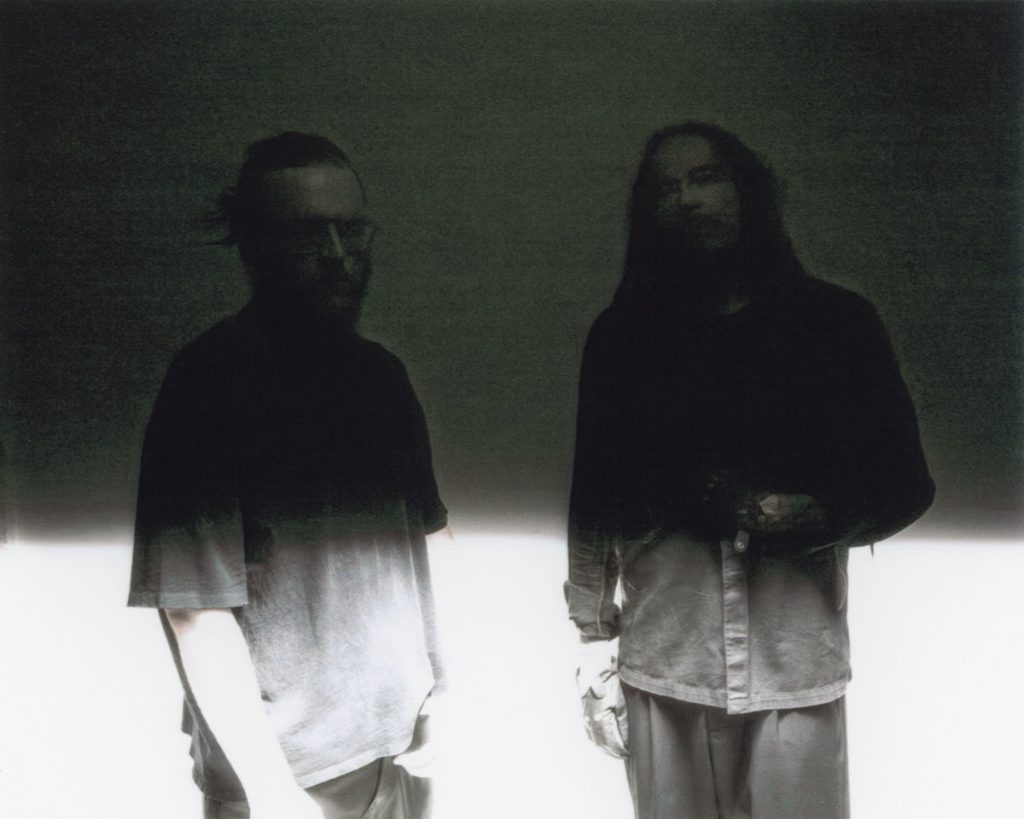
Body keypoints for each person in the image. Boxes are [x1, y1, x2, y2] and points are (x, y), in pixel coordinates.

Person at [566, 122, 934, 819]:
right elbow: (594, 498)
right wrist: (591, 638)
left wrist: (820, 514)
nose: (687, 199)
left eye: (705, 178)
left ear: (747, 189)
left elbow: (904, 480)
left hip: (793, 657)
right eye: (666, 188)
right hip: (666, 657)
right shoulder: (622, 339)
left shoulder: (838, 324)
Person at [129, 132, 450, 819]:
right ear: (253, 246)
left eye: (351, 229)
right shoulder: (207, 384)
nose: (337, 254)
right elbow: (193, 607)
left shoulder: (381, 377)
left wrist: (443, 692)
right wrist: (272, 792)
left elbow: (429, 540)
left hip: (398, 752)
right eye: (308, 234)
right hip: (285, 776)